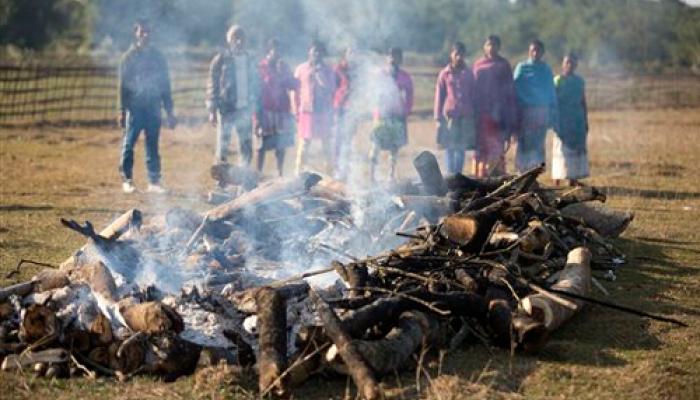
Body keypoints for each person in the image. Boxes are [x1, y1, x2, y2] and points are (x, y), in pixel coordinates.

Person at [118, 19, 176, 194]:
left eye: (148, 32)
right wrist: (122, 110)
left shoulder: (159, 58)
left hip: (153, 108)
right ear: (135, 33)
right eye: (142, 31)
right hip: (135, 109)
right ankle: (127, 180)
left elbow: (165, 85)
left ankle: (154, 182)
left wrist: (169, 111)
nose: (145, 35)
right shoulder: (128, 58)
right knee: (129, 144)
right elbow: (123, 86)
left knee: (152, 145)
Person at [206, 25, 260, 166]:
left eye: (241, 38)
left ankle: (244, 181)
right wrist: (212, 109)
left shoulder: (251, 60)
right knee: (223, 146)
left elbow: (257, 84)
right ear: (229, 40)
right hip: (227, 109)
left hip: (245, 110)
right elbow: (213, 85)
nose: (239, 42)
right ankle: (221, 183)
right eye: (235, 39)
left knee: (246, 147)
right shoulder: (221, 60)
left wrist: (257, 107)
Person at [472, 35, 517, 177]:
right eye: (489, 45)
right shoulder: (478, 65)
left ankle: (495, 181)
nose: (491, 48)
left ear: (499, 47)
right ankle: (478, 181)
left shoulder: (504, 65)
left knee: (496, 148)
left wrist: (511, 120)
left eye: (495, 45)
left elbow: (510, 93)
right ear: (484, 47)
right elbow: (472, 90)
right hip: (481, 114)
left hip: (499, 115)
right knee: (480, 148)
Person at [513, 39, 558, 172]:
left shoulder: (546, 70)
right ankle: (521, 175)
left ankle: (534, 175)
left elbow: (551, 92)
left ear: (542, 52)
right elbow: (514, 89)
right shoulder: (522, 68)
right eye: (533, 50)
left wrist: (552, 114)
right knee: (524, 144)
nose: (535, 53)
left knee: (537, 145)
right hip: (525, 113)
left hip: (541, 113)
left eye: (538, 50)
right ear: (529, 51)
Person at [369, 47, 413, 181]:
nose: (393, 59)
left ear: (401, 59)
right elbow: (372, 92)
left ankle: (391, 176)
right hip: (382, 115)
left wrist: (405, 110)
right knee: (375, 146)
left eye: (397, 56)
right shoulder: (380, 75)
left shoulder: (405, 77)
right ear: (387, 58)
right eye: (391, 56)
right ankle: (372, 176)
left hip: (397, 116)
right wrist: (376, 107)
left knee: (394, 148)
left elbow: (409, 96)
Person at [255, 38, 297, 177]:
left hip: (281, 111)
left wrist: (283, 74)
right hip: (265, 111)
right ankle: (258, 175)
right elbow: (256, 91)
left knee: (281, 145)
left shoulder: (283, 67)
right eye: (275, 50)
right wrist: (256, 116)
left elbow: (293, 85)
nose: (278, 53)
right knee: (261, 146)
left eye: (280, 51)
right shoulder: (262, 67)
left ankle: (280, 174)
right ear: (269, 51)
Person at [293, 40, 336, 175]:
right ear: (309, 52)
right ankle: (298, 174)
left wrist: (319, 75)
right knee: (304, 145)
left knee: (326, 145)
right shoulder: (301, 69)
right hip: (306, 111)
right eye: (314, 51)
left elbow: (331, 89)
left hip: (323, 111)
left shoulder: (328, 70)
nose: (317, 53)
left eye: (319, 51)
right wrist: (295, 110)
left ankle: (329, 175)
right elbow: (295, 91)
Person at [434, 41, 476, 175]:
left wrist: (474, 115)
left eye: (461, 54)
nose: (459, 57)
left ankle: (458, 175)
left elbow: (474, 95)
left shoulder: (469, 74)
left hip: (465, 116)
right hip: (449, 116)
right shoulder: (444, 74)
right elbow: (439, 96)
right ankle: (449, 174)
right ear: (451, 54)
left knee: (461, 148)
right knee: (449, 147)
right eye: (456, 54)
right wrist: (437, 118)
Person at [552, 53, 589, 186]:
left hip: (577, 121)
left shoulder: (579, 81)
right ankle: (557, 182)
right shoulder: (557, 80)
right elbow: (552, 102)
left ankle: (572, 180)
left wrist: (585, 121)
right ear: (562, 64)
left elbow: (583, 101)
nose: (569, 65)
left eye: (572, 63)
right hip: (562, 121)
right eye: (567, 62)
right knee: (561, 150)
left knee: (574, 151)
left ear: (576, 65)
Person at [333, 47, 359, 181]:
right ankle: (336, 169)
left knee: (348, 140)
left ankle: (346, 170)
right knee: (338, 139)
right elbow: (333, 88)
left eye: (354, 53)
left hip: (352, 109)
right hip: (339, 107)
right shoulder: (338, 69)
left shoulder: (357, 71)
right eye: (350, 53)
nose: (352, 55)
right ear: (345, 55)